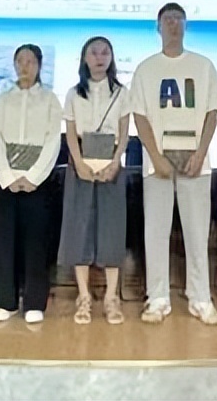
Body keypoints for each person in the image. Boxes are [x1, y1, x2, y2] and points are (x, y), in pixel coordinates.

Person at [129, 2, 217, 325]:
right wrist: (155, 157)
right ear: (158, 27)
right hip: (157, 160)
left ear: (185, 25)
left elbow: (212, 114)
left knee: (197, 232)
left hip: (196, 159)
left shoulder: (204, 66)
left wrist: (200, 152)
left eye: (178, 19)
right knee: (155, 231)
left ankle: (200, 298)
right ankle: (157, 298)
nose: (173, 24)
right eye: (167, 20)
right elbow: (140, 116)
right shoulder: (146, 69)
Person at [59, 36, 132, 325]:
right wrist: (78, 163)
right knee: (80, 229)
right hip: (81, 165)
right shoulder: (74, 93)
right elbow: (70, 132)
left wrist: (116, 161)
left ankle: (112, 297)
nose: (100, 58)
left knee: (112, 230)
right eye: (94, 53)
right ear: (84, 58)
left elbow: (124, 132)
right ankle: (84, 296)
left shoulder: (122, 93)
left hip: (111, 165)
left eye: (105, 53)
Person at [0, 44, 63, 324]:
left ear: (39, 65)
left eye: (30, 61)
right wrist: (8, 177)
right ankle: (5, 301)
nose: (24, 66)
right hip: (7, 182)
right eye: (20, 61)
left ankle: (34, 302)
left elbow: (53, 140)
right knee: (6, 242)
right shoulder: (3, 101)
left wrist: (33, 177)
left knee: (36, 243)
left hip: (37, 183)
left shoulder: (50, 100)